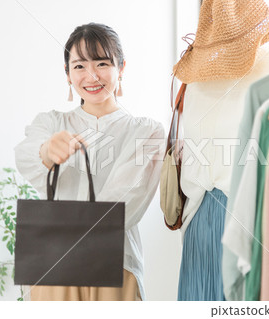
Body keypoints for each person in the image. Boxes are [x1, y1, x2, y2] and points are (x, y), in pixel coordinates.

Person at [14, 22, 164, 301]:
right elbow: (25, 154)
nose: (91, 76)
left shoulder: (146, 131)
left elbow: (125, 203)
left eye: (102, 63)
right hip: (51, 269)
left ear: (121, 68)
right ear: (67, 73)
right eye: (79, 66)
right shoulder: (51, 122)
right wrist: (47, 151)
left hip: (115, 264)